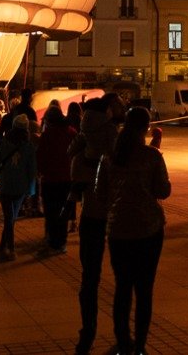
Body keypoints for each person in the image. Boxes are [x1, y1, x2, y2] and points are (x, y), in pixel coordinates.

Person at [95, 106, 170, 355]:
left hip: (118, 229)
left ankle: (123, 341)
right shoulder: (151, 156)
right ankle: (140, 345)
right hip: (149, 229)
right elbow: (163, 190)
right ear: (146, 127)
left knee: (123, 287)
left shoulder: (110, 156)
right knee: (144, 289)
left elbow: (99, 193)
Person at [69, 97, 118, 355]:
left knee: (89, 278)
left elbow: (70, 154)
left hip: (90, 214)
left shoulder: (83, 133)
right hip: (115, 214)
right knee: (124, 279)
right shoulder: (112, 133)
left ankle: (87, 332)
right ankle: (123, 335)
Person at [0, 112, 37, 262]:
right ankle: (8, 249)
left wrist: (1, 177)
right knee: (11, 218)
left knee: (9, 218)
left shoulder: (3, 143)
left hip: (4, 186)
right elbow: (32, 170)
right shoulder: (28, 146)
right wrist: (31, 191)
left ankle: (3, 249)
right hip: (20, 187)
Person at [37, 102, 76, 255]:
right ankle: (61, 242)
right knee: (63, 213)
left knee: (52, 213)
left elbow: (41, 157)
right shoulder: (71, 132)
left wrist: (41, 172)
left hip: (51, 180)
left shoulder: (48, 135)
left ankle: (55, 243)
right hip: (68, 179)